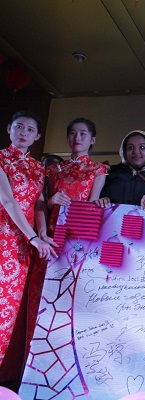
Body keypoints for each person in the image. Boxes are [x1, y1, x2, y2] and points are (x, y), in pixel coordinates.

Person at [0, 111, 57, 390]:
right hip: (5, 238)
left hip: (28, 243)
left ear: (37, 136)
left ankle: (8, 375)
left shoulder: (38, 168)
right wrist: (34, 236)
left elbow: (39, 204)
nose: (23, 132)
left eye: (30, 129)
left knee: (16, 309)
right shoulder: (1, 158)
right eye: (18, 126)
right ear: (9, 129)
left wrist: (43, 233)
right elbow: (7, 201)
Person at [46, 118, 107, 234]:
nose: (77, 138)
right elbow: (47, 205)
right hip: (55, 225)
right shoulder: (53, 169)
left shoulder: (98, 169)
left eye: (82, 133)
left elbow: (93, 203)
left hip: (81, 226)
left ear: (93, 140)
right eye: (72, 133)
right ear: (67, 138)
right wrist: (52, 200)